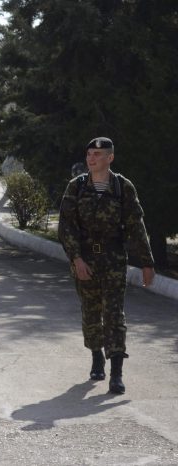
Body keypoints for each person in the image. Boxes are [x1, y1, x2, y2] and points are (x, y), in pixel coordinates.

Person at [58, 137, 155, 395]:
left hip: (113, 259)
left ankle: (117, 373)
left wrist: (147, 262)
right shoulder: (76, 186)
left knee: (114, 314)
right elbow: (66, 226)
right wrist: (76, 259)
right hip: (85, 259)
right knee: (91, 312)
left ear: (110, 158)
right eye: (89, 153)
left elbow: (136, 226)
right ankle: (96, 356)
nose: (91, 158)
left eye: (98, 154)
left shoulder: (123, 187)